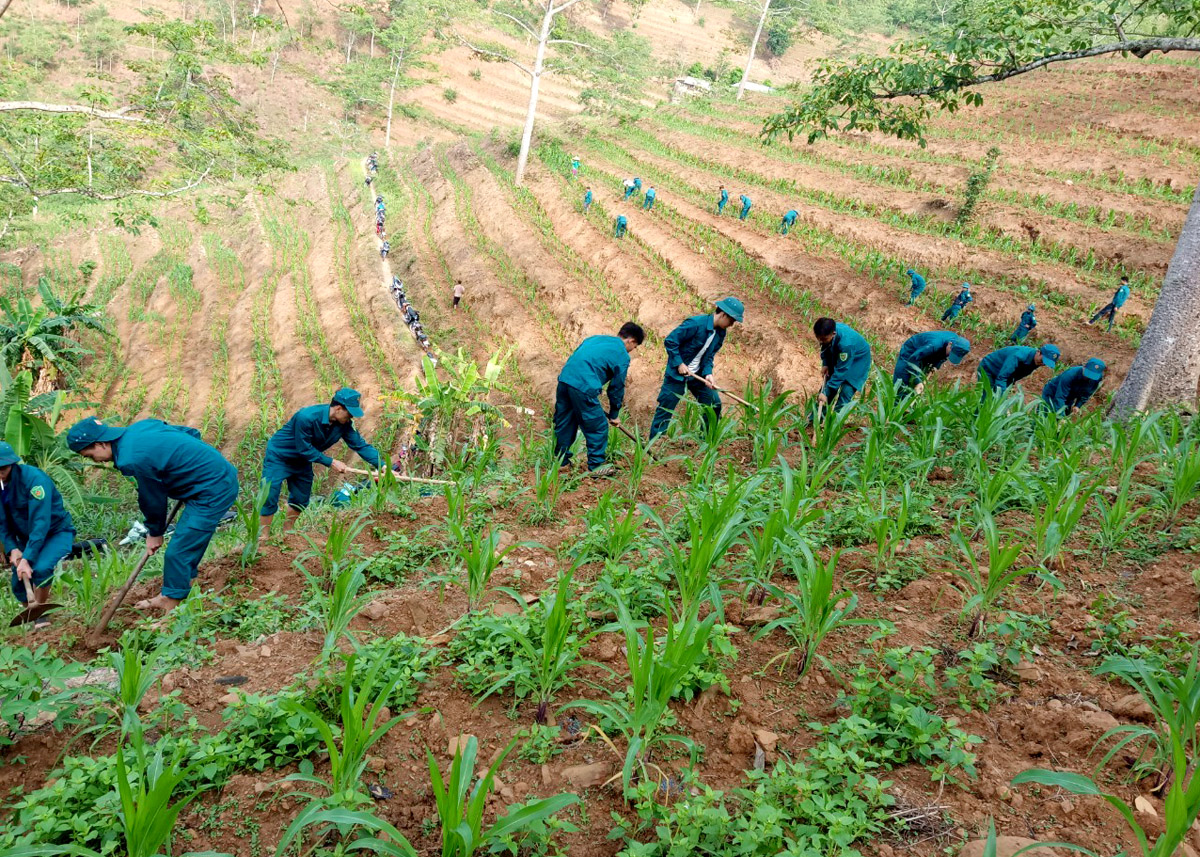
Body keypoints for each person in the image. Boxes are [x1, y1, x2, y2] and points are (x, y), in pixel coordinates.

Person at [67, 417, 239, 613]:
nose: (94, 460)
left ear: (100, 444)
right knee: (186, 544)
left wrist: (154, 532)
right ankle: (184, 587)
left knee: (178, 551)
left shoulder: (132, 458)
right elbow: (191, 434)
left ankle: (172, 603)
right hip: (209, 480)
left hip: (213, 489)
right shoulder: (141, 427)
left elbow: (153, 499)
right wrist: (187, 464)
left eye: (90, 455)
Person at [258, 388, 383, 535]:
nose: (351, 418)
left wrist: (383, 465)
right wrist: (331, 462)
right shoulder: (306, 417)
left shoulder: (344, 425)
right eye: (349, 413)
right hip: (280, 456)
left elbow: (360, 445)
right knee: (269, 494)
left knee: (301, 497)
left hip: (302, 461)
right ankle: (263, 537)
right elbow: (303, 448)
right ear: (338, 409)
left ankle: (287, 532)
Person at [554, 322, 644, 478]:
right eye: (634, 347)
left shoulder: (595, 339)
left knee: (565, 422)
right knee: (598, 426)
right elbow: (616, 387)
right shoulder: (622, 354)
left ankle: (561, 462)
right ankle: (596, 467)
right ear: (631, 340)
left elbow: (577, 358)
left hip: (565, 380)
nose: (632, 351)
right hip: (583, 386)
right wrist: (614, 414)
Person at [649, 297, 744, 440]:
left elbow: (709, 356)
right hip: (677, 374)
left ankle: (705, 441)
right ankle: (653, 446)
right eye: (732, 321)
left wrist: (708, 373)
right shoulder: (695, 324)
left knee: (714, 404)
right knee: (665, 408)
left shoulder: (720, 333)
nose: (732, 324)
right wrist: (679, 363)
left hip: (697, 375)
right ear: (723, 314)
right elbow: (670, 341)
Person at [0, 442, 75, 613]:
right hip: (27, 538)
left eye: (3, 468)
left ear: (12, 463)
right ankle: (31, 612)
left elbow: (40, 523)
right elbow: (2, 522)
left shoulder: (34, 481)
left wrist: (27, 558)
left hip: (55, 532)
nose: (0, 473)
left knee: (40, 569)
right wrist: (13, 549)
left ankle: (40, 612)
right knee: (18, 582)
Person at [814, 317, 871, 412]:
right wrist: (826, 363)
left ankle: (835, 422)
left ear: (833, 334)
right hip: (840, 354)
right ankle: (815, 420)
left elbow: (841, 370)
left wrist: (826, 392)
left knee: (846, 390)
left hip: (858, 361)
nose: (820, 341)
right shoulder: (826, 333)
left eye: (823, 339)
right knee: (827, 387)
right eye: (818, 338)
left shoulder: (846, 344)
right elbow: (825, 347)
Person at [892, 331, 970, 396]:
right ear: (950, 344)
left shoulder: (957, 342)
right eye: (951, 353)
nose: (949, 356)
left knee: (916, 381)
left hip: (928, 353)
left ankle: (911, 398)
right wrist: (918, 381)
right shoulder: (933, 345)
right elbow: (913, 360)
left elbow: (943, 355)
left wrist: (936, 366)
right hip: (912, 350)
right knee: (902, 379)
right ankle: (896, 406)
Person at [978, 343, 1059, 396]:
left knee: (995, 400)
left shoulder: (1036, 361)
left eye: (1045, 363)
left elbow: (1014, 376)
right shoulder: (1018, 356)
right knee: (987, 398)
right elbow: (1002, 377)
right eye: (1042, 361)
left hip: (1002, 373)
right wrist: (1001, 396)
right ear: (1038, 352)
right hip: (989, 368)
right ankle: (975, 420)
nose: (1042, 364)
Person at [1042, 358, 1106, 416]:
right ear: (1084, 367)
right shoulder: (1070, 375)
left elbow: (1087, 393)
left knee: (1064, 419)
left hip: (1069, 398)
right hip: (1052, 394)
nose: (1089, 377)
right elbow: (1060, 397)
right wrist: (1060, 416)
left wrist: (1078, 405)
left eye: (1093, 376)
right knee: (1044, 416)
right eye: (1088, 374)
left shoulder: (1096, 379)